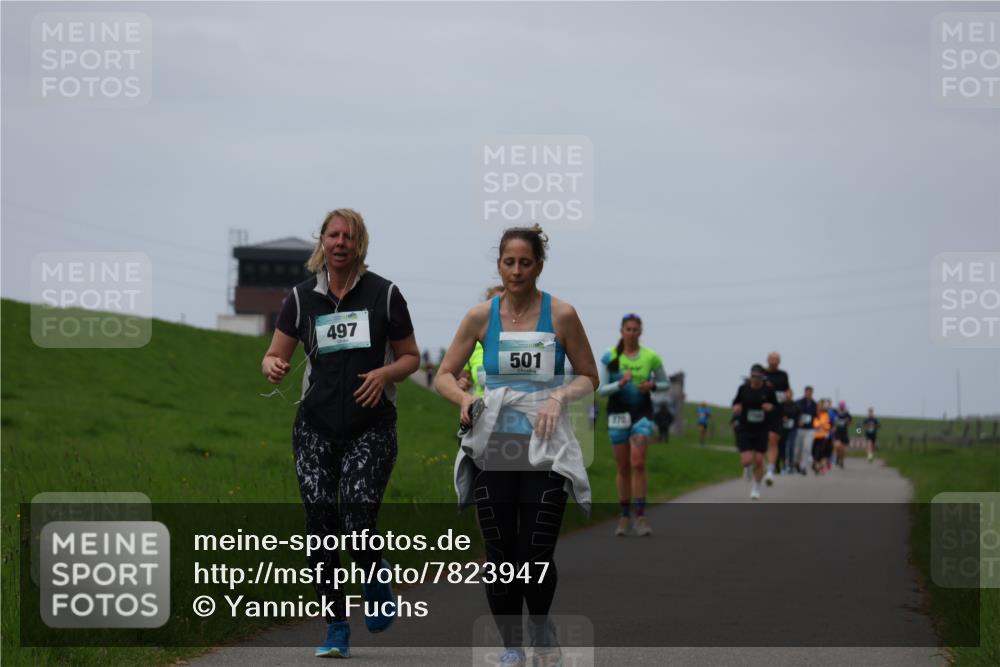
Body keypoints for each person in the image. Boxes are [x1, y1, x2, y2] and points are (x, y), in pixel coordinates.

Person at [434, 225, 599, 667]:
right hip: (495, 446)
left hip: (545, 447)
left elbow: (589, 375)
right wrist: (467, 398)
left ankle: (541, 625)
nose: (517, 270)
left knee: (535, 551)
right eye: (509, 262)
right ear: (499, 265)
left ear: (539, 267)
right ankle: (510, 645)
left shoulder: (561, 314)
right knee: (501, 553)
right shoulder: (479, 317)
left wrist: (559, 396)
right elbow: (443, 375)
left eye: (526, 262)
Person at [261, 208, 420, 658]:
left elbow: (411, 357)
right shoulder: (300, 298)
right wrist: (273, 365)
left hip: (371, 427)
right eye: (333, 235)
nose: (340, 243)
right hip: (314, 429)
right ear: (322, 242)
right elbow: (274, 353)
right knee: (320, 527)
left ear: (360, 243)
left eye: (348, 236)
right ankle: (335, 626)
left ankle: (374, 572)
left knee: (356, 523)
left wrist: (385, 374)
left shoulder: (384, 294)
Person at [598, 314, 670, 537]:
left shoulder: (651, 357)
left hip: (642, 414)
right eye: (627, 329)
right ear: (621, 331)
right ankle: (623, 515)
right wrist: (620, 383)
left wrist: (652, 386)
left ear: (641, 332)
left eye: (635, 329)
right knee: (622, 467)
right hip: (617, 414)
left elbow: (665, 383)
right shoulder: (611, 356)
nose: (631, 333)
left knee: (637, 462)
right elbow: (601, 390)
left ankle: (640, 515)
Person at [732, 364, 778, 500]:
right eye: (753, 376)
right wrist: (736, 407)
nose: (756, 379)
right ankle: (746, 468)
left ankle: (756, 489)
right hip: (745, 428)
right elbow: (736, 402)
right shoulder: (743, 389)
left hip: (761, 429)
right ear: (750, 376)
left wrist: (770, 407)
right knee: (746, 460)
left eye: (758, 377)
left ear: (763, 378)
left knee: (759, 460)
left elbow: (775, 407)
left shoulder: (769, 391)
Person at [457, 286, 505, 397]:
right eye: (494, 304)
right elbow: (452, 378)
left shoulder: (523, 341)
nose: (499, 310)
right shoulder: (474, 344)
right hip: (482, 412)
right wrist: (460, 385)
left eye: (504, 305)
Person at [763, 352, 790, 485]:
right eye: (771, 359)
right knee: (762, 442)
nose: (773, 361)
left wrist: (786, 396)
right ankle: (758, 464)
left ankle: (770, 470)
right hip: (762, 413)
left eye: (776, 359)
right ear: (767, 360)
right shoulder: (761, 373)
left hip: (777, 413)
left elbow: (787, 391)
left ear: (779, 362)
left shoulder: (783, 375)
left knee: (773, 440)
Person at [793, 386, 818, 475]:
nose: (808, 394)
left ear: (812, 393)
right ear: (805, 392)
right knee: (797, 449)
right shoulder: (798, 402)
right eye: (807, 392)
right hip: (800, 429)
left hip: (810, 429)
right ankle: (796, 463)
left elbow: (817, 416)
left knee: (807, 448)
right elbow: (793, 414)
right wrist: (797, 421)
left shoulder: (815, 404)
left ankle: (803, 466)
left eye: (810, 392)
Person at [779, 389, 801, 474]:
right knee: (783, 447)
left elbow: (798, 415)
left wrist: (797, 421)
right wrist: (782, 418)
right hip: (783, 428)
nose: (788, 396)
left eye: (789, 394)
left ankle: (791, 465)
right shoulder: (781, 405)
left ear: (792, 395)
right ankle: (784, 465)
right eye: (786, 394)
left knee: (791, 446)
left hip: (793, 428)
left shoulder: (796, 405)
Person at [812, 400, 832, 474]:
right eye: (818, 406)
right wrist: (818, 425)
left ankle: (820, 466)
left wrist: (820, 425)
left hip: (823, 436)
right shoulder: (815, 415)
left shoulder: (825, 415)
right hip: (815, 436)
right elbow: (814, 424)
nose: (819, 408)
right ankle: (818, 466)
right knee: (814, 452)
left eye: (820, 406)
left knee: (821, 452)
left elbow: (827, 425)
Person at [832, 400, 852, 469]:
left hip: (844, 433)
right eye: (840, 406)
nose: (841, 408)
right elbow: (831, 418)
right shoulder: (835, 412)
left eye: (842, 406)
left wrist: (847, 421)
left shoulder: (847, 414)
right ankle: (837, 457)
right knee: (838, 446)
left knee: (843, 450)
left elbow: (850, 423)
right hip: (837, 433)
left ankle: (841, 461)